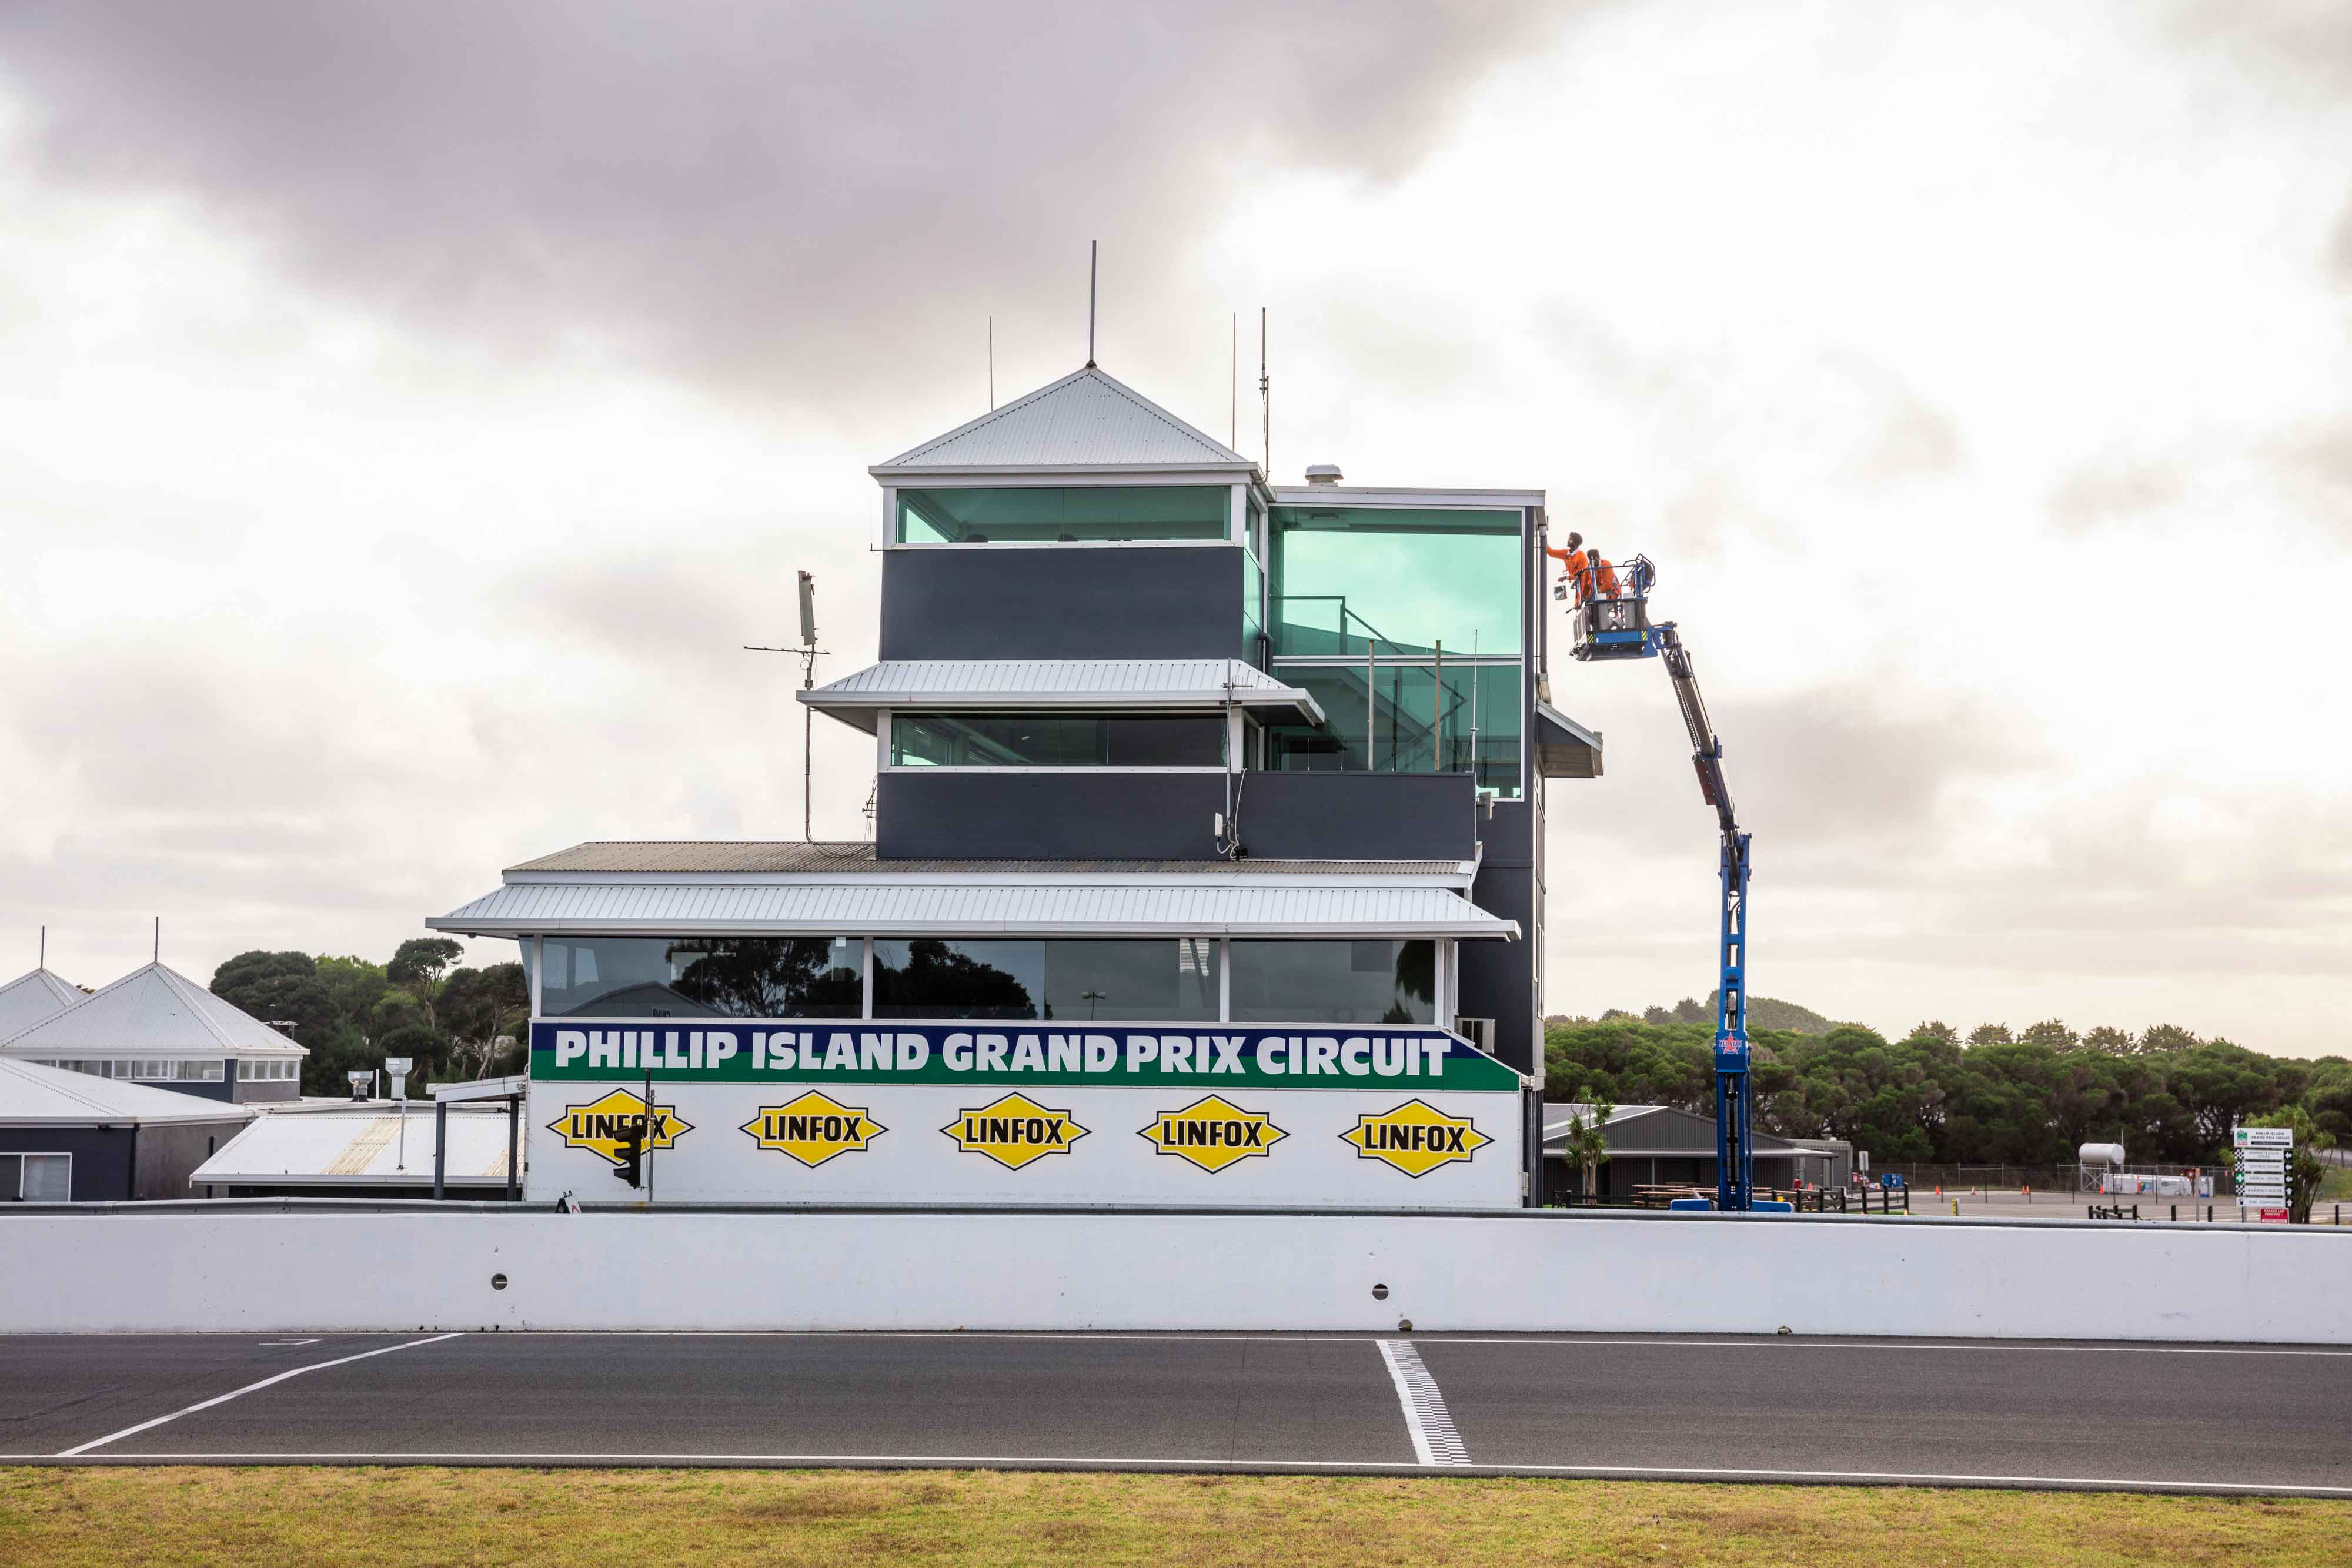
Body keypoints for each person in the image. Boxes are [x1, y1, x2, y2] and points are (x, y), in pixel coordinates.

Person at [1544, 531, 1590, 603]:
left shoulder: (1582, 557)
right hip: (1578, 583)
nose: (1568, 541)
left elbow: (1582, 576)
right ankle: (1578, 603)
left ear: (1576, 543)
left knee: (1580, 602)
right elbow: (1551, 552)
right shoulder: (1565, 553)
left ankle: (1579, 602)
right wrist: (1543, 536)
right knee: (1578, 603)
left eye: (1570, 539)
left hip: (1586, 584)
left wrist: (1566, 577)